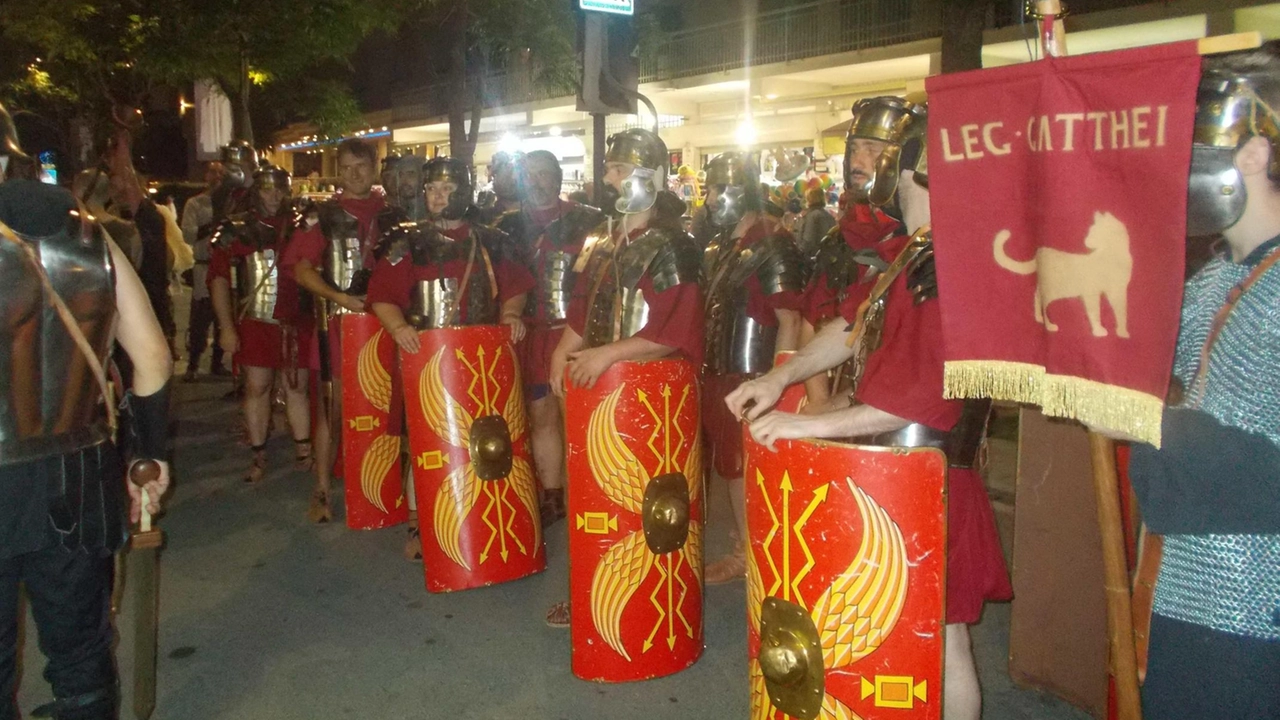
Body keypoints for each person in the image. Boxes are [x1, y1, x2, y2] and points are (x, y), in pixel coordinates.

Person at [724, 104, 1010, 720]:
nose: (877, 170)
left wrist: (810, 424)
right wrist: (781, 377)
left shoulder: (946, 265)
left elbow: (918, 401)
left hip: (930, 478)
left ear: (917, 170)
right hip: (895, 475)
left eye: (894, 160)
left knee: (941, 643)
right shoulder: (912, 254)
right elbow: (847, 329)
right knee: (907, 639)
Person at [0, 101, 172, 720]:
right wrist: (149, 457)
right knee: (81, 655)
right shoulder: (90, 235)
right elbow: (151, 359)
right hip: (80, 478)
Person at [1123, 48, 1280, 720]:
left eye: (1193, 139)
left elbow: (1264, 464)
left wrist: (1136, 416)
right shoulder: (1213, 280)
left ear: (1252, 151)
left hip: (1256, 599)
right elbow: (1178, 397)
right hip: (1185, 578)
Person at [545, 128, 703, 627]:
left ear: (647, 177)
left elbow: (674, 330)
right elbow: (583, 308)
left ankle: (647, 606)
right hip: (598, 387)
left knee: (645, 500)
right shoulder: (599, 238)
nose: (609, 179)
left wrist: (606, 355)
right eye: (610, 168)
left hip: (648, 392)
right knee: (589, 491)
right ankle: (587, 586)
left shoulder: (675, 245)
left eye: (619, 170)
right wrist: (563, 352)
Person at [697, 151, 805, 584]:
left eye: (716, 189)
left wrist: (775, 384)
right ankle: (749, 547)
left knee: (745, 471)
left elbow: (792, 320)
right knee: (730, 469)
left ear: (741, 191)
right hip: (720, 373)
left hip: (753, 373)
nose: (708, 199)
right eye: (707, 189)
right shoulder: (722, 246)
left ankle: (753, 556)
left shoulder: (773, 245)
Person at [496, 150, 604, 526]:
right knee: (539, 414)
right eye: (531, 175)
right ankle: (554, 496)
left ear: (558, 178)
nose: (538, 181)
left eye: (545, 174)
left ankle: (586, 494)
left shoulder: (590, 222)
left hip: (575, 335)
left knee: (576, 415)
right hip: (529, 333)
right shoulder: (505, 227)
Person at [285, 138, 386, 525]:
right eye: (345, 168)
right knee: (334, 407)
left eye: (359, 166)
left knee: (386, 406)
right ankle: (322, 487)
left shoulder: (393, 214)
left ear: (373, 167)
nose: (353, 174)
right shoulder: (320, 216)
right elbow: (302, 268)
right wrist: (338, 297)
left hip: (385, 324)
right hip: (336, 324)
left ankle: (383, 487)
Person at [799, 98, 910, 413]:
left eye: (873, 149)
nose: (858, 161)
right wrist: (821, 407)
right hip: (840, 409)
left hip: (904, 418)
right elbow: (814, 324)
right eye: (855, 148)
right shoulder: (841, 237)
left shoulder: (921, 238)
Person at [209, 166, 313, 485]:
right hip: (256, 322)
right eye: (267, 189)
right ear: (256, 191)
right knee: (257, 387)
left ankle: (304, 449)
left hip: (297, 321)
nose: (273, 196)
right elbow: (219, 279)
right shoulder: (237, 228)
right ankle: (258, 452)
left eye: (279, 189)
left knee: (297, 386)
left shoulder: (302, 226)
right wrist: (226, 328)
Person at [181, 162, 229, 379]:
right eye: (213, 171)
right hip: (203, 266)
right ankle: (193, 364)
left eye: (221, 172)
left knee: (223, 318)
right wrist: (211, 225)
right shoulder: (195, 203)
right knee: (200, 318)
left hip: (224, 267)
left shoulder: (230, 203)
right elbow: (188, 234)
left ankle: (217, 362)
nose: (217, 176)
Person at [796, 186, 836, 257]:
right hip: (827, 255)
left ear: (809, 199)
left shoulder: (812, 216)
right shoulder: (828, 214)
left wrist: (799, 252)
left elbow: (808, 239)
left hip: (813, 257)